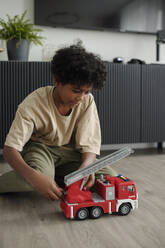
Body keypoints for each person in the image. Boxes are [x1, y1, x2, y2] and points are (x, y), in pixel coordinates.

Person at [1, 42, 117, 200]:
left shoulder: (87, 101)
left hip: (70, 154)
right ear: (57, 80)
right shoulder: (34, 102)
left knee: (110, 177)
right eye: (76, 91)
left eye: (86, 91)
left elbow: (89, 145)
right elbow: (9, 150)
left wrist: (86, 168)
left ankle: (54, 178)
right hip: (40, 149)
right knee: (32, 181)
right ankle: (44, 177)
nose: (81, 98)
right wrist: (34, 177)